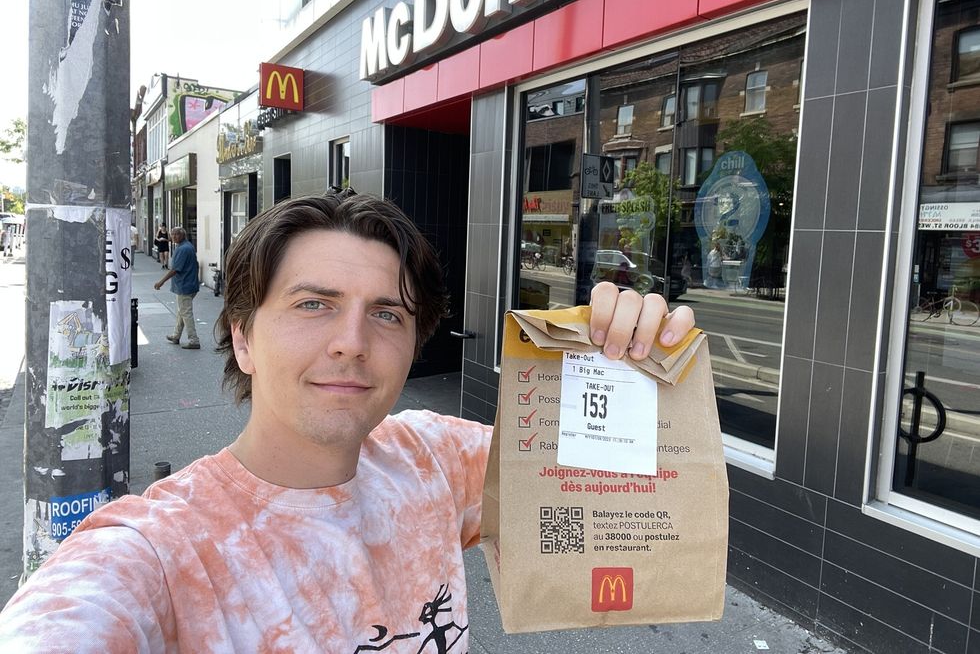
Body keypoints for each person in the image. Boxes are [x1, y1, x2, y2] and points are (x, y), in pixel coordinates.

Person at [0, 191, 695, 651]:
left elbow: (636, 505)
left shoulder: (434, 456)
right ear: (243, 337)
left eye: (386, 313)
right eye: (313, 304)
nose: (352, 342)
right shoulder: (156, 553)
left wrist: (631, 372)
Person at [154, 226, 201, 350]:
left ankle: (193, 339)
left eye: (177, 234)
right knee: (182, 311)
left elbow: (175, 269)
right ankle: (176, 335)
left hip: (184, 285)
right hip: (189, 284)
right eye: (172, 234)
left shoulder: (183, 249)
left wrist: (161, 282)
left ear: (183, 235)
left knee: (185, 312)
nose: (174, 236)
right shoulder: (187, 246)